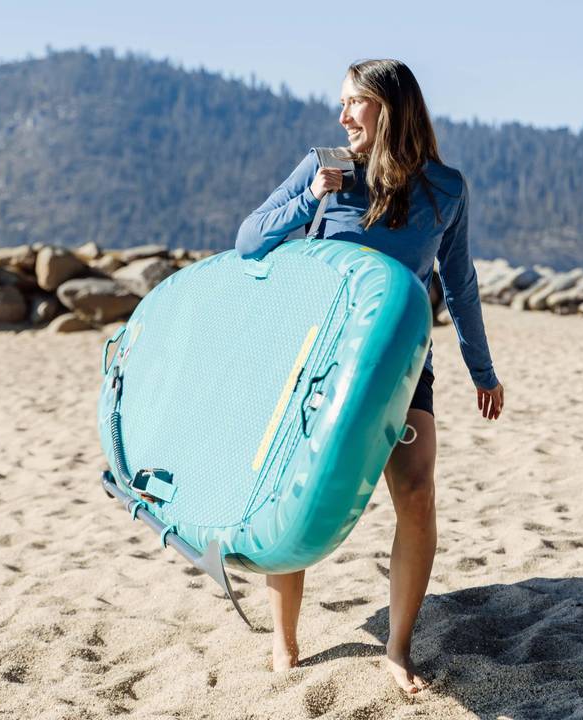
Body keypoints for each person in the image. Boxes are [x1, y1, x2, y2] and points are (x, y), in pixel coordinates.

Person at [234, 59, 504, 695]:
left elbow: (458, 286)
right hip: (316, 359)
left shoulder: (447, 188)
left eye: (355, 102)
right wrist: (310, 197)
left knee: (415, 495)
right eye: (343, 102)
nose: (343, 115)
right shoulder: (325, 165)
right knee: (292, 495)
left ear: (391, 107)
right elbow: (249, 241)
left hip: (402, 363)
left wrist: (483, 371)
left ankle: (399, 646)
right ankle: (286, 640)